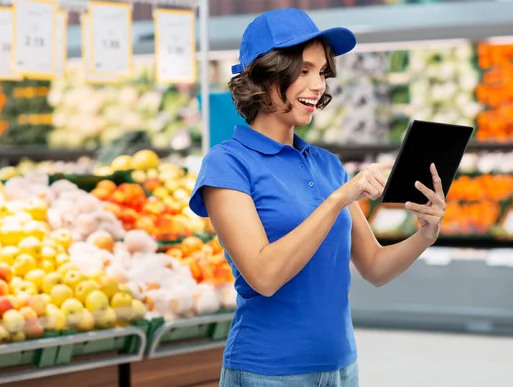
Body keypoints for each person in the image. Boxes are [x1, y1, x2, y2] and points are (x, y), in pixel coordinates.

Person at [189, 8, 447, 387]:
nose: (318, 85)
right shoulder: (227, 165)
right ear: (266, 73)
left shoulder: (327, 165)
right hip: (268, 372)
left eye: (322, 72)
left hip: (341, 367)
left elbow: (374, 266)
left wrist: (426, 233)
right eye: (305, 70)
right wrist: (338, 199)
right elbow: (263, 275)